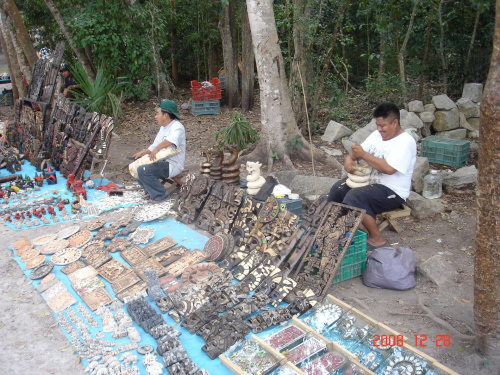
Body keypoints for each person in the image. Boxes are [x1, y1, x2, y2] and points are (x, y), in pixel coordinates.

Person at [327, 102, 416, 250]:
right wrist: (349, 160)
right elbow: (356, 153)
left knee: (354, 196)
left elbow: (389, 169)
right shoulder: (376, 135)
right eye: (377, 125)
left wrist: (363, 155)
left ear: (395, 123)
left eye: (383, 126)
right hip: (371, 184)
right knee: (338, 188)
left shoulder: (406, 142)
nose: (379, 129)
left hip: (393, 191)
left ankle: (377, 238)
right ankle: (337, 226)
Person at [133, 99, 186, 203]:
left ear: (165, 115)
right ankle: (149, 190)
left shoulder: (177, 127)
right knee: (134, 165)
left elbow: (170, 141)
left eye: (157, 114)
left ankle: (160, 196)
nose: (155, 117)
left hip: (173, 164)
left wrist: (157, 149)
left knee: (143, 170)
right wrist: (143, 153)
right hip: (160, 161)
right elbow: (154, 145)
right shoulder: (164, 127)